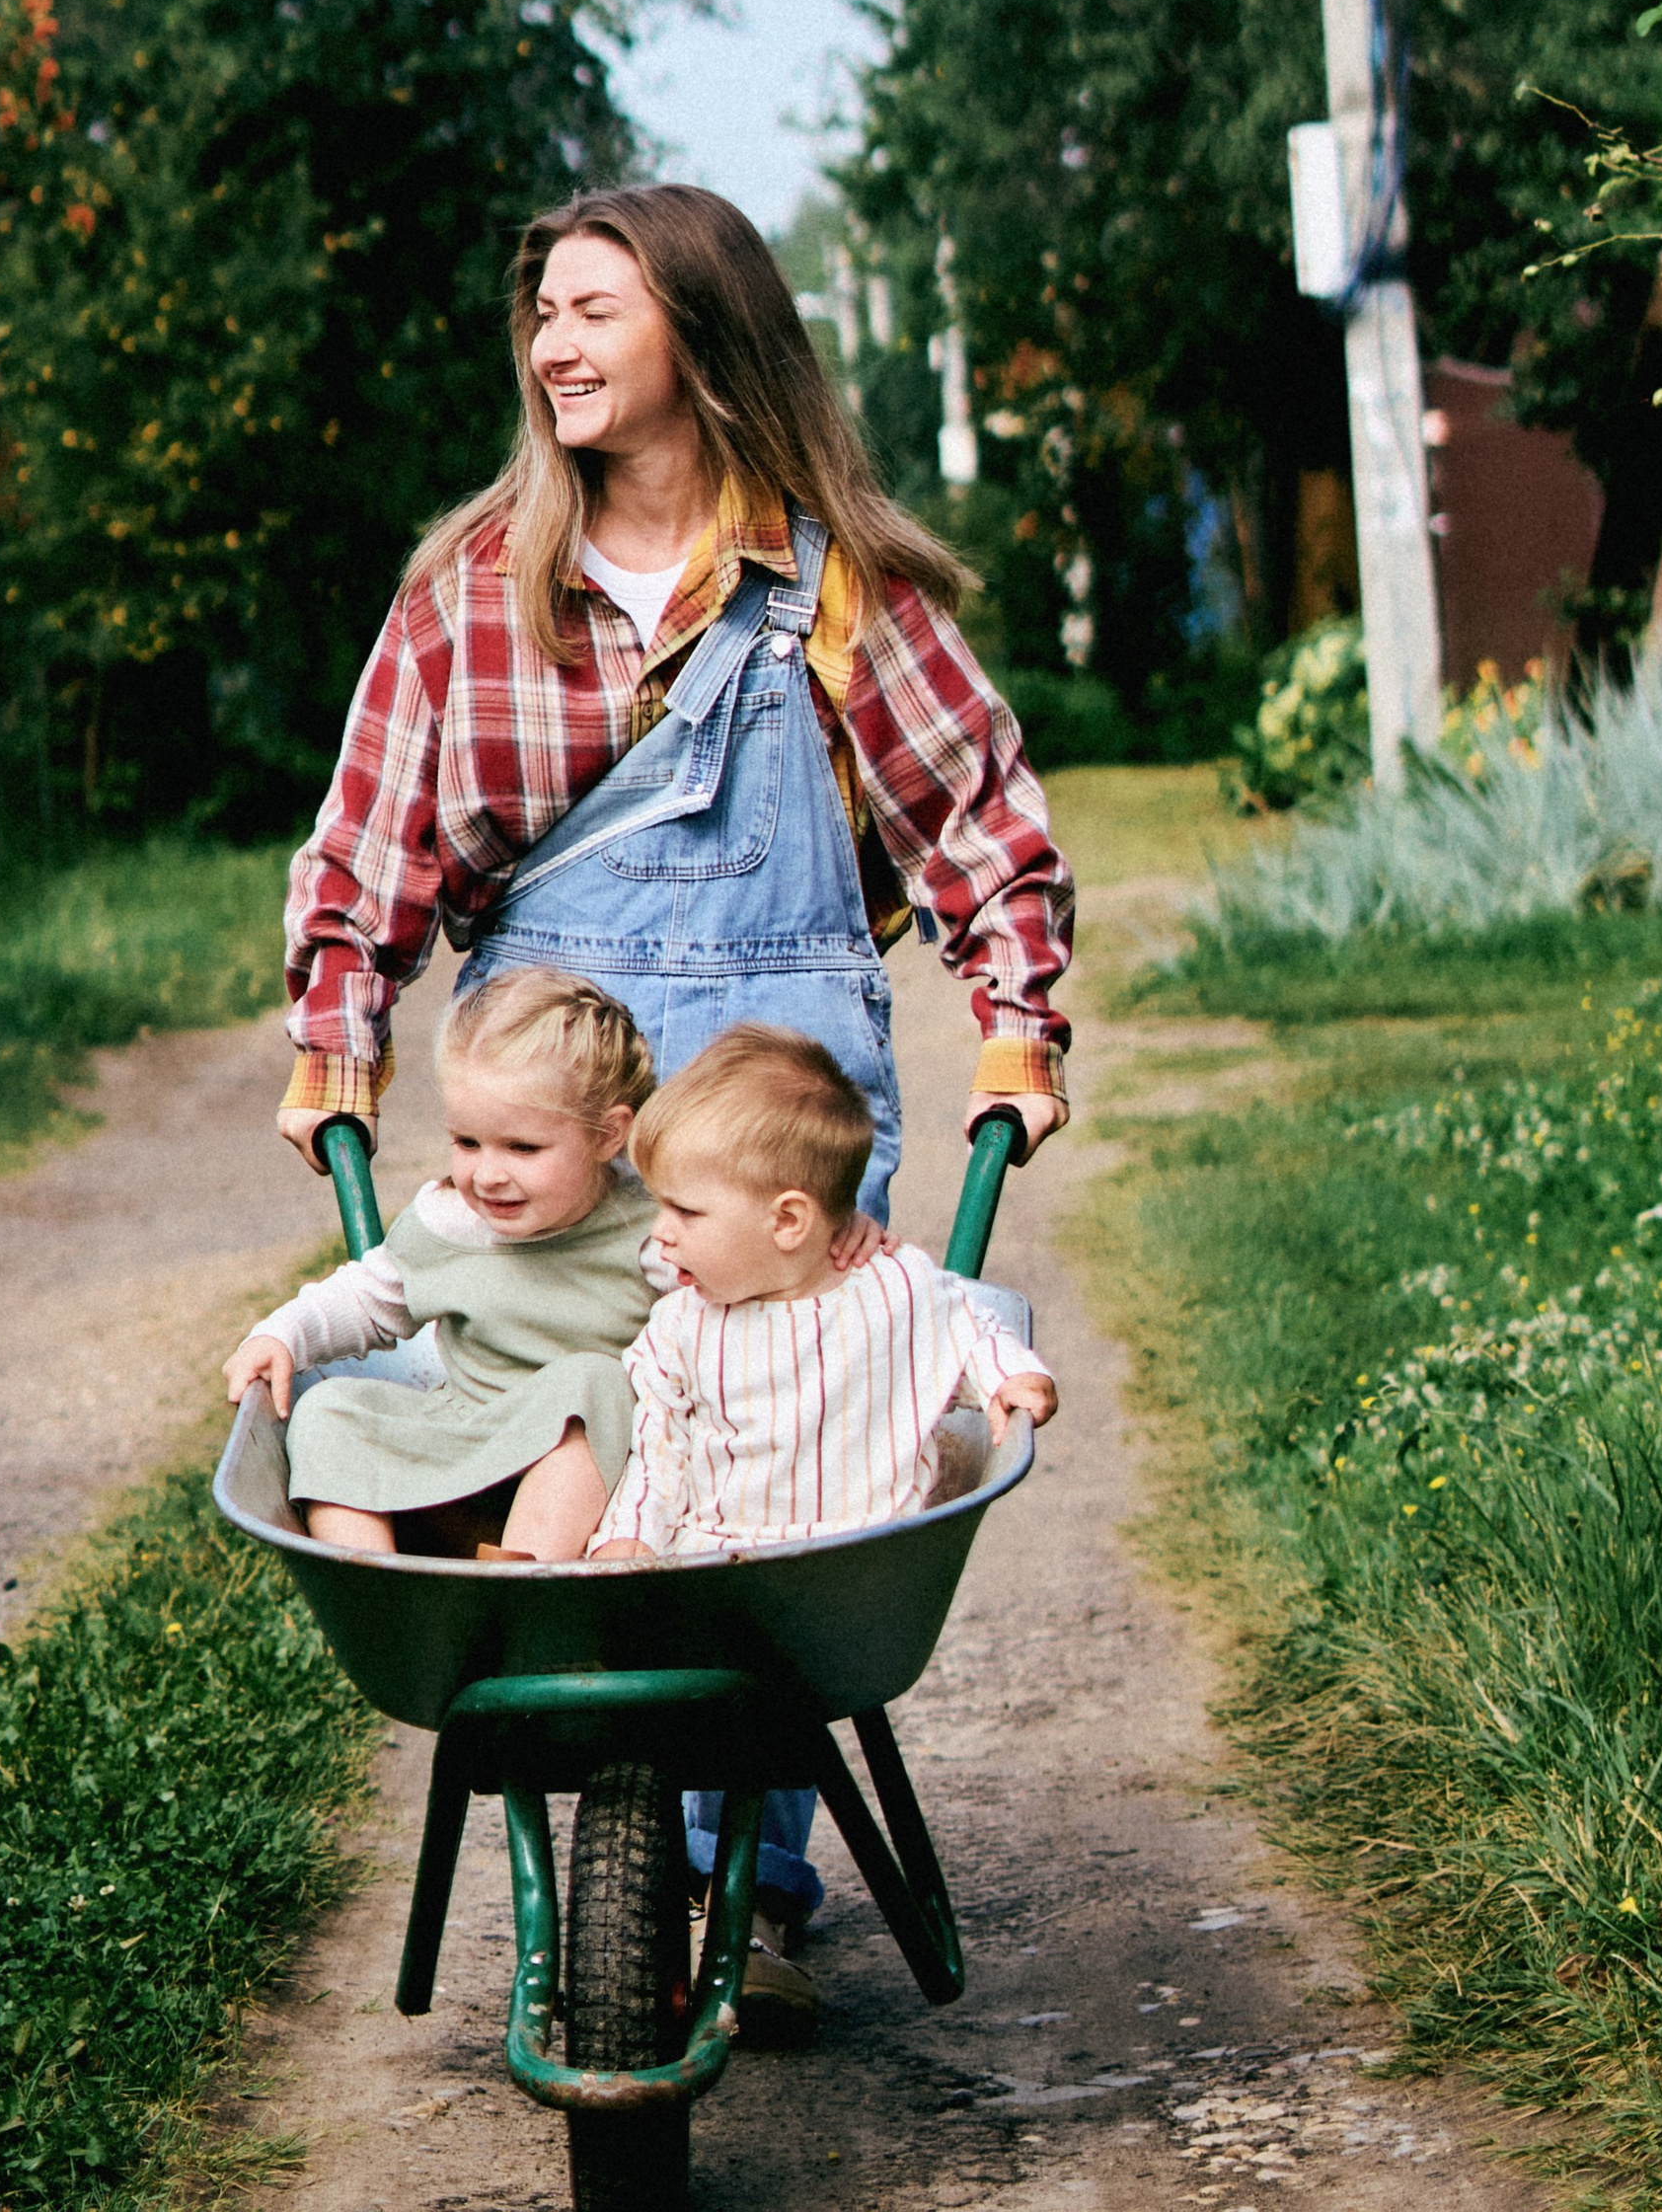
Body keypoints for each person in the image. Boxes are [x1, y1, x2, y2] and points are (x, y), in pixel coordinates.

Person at [276, 179, 1076, 2026]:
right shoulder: (474, 593)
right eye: (540, 311)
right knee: (579, 1431)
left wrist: (1017, 1036)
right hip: (561, 1118)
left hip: (777, 1119)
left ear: (701, 333)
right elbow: (369, 851)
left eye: (595, 307)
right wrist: (338, 1051)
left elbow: (983, 824)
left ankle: (759, 1862)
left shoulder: (829, 585)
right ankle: (635, 1829)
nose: (552, 341)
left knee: (790, 1452)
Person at [221, 967, 663, 1562]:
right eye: (467, 1142)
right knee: (326, 1410)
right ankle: (382, 1583)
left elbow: (720, 1316)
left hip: (590, 1465)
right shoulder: (450, 1222)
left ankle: (523, 1584)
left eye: (523, 1148)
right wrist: (283, 1333)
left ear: (610, 1135)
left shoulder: (650, 1233)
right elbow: (367, 1298)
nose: (487, 1174)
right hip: (467, 1432)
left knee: (593, 1380)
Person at [586, 1024, 1057, 1569]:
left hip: (869, 1554)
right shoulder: (678, 1328)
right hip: (714, 1561)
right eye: (658, 1206)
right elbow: (656, 1453)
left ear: (788, 1220)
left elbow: (969, 1328)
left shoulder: (893, 1288)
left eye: (685, 1211)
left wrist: (1009, 1375)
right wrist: (630, 1538)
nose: (660, 1232)